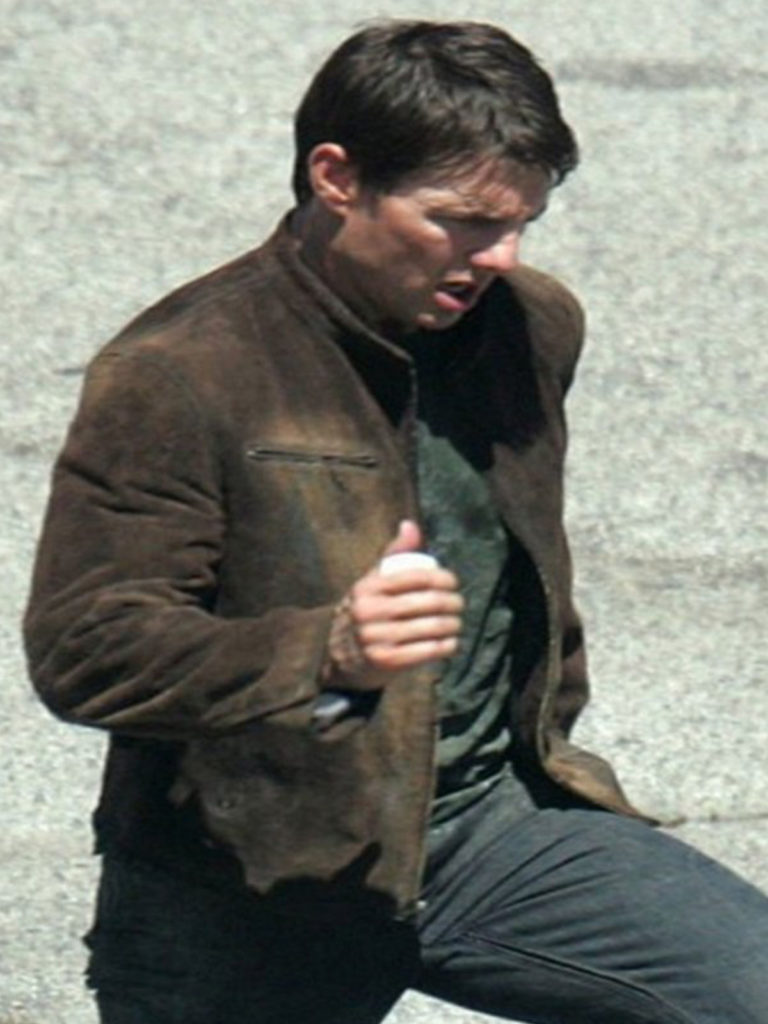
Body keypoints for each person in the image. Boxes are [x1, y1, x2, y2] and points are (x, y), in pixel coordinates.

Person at [24, 19, 768, 1024]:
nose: (499, 256)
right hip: (247, 883)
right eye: (460, 220)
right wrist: (326, 651)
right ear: (336, 177)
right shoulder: (181, 371)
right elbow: (85, 651)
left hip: (485, 829)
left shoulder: (529, 328)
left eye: (523, 222)